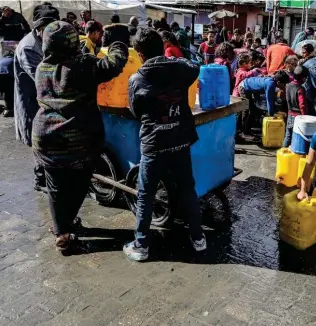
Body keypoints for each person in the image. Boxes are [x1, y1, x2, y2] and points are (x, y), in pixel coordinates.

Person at [33, 21, 128, 252]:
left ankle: (62, 229)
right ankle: (64, 230)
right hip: (77, 140)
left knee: (56, 187)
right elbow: (114, 64)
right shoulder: (83, 65)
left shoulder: (41, 68)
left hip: (45, 137)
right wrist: (118, 43)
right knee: (79, 183)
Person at [123, 28, 204, 260]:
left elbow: (136, 111)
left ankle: (141, 245)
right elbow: (194, 65)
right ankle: (198, 238)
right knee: (187, 188)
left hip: (154, 143)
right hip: (180, 140)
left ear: (139, 53)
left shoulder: (136, 79)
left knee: (146, 193)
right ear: (163, 46)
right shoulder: (180, 68)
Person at [14, 4, 59, 192]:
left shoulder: (50, 40)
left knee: (47, 140)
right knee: (39, 140)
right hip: (33, 101)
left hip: (46, 100)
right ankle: (41, 180)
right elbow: (42, 79)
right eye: (45, 29)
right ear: (37, 28)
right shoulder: (29, 47)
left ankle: (47, 174)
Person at [283, 65, 309, 147]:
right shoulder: (300, 89)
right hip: (298, 116)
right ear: (303, 78)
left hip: (290, 114)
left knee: (288, 135)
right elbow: (302, 105)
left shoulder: (288, 85)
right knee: (296, 137)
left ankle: (283, 151)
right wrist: (305, 116)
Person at [301, 43, 316, 110]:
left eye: (305, 53)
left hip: (310, 92)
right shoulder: (309, 62)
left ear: (310, 52)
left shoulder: (313, 64)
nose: (303, 55)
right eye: (302, 53)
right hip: (308, 92)